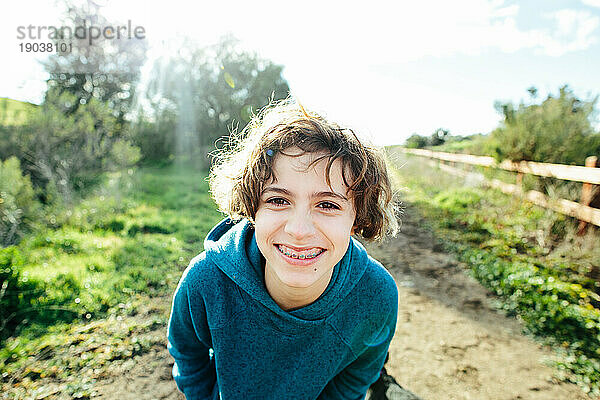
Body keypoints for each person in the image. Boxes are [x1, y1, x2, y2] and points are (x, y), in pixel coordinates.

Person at [167, 99, 399, 399]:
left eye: (327, 205)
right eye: (278, 200)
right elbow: (188, 353)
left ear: (358, 219)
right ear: (252, 207)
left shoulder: (376, 297)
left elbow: (355, 378)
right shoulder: (205, 280)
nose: (298, 230)